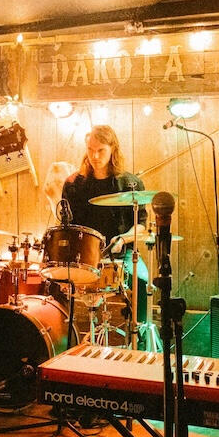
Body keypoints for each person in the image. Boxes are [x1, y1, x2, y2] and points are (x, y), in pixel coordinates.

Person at [60, 125, 149, 341]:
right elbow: (66, 228)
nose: (95, 156)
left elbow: (142, 227)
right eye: (90, 150)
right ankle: (64, 339)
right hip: (85, 256)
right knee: (55, 281)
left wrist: (123, 238)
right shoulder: (74, 184)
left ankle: (141, 332)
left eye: (101, 150)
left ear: (113, 150)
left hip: (122, 254)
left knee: (142, 280)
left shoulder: (130, 184)